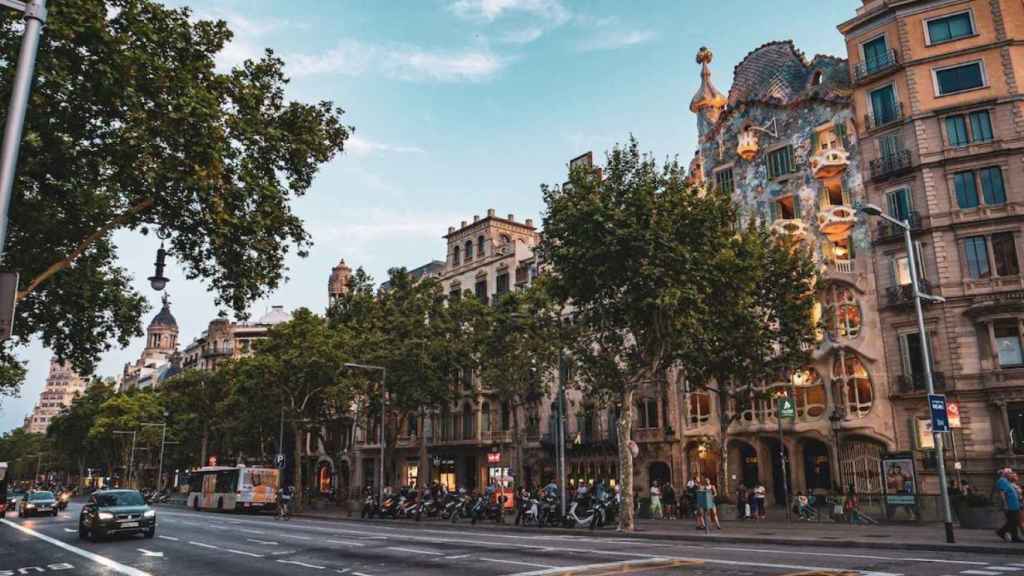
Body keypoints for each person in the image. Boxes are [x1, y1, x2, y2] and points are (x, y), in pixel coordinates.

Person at [996, 468, 1022, 543]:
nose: (1011, 475)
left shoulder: (1006, 481)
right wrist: (1005, 504)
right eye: (1010, 473)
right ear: (1006, 474)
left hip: (1014, 505)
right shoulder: (1002, 481)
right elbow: (1002, 493)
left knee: (1015, 521)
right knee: (1013, 521)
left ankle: (1015, 537)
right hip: (1010, 505)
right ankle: (1001, 531)